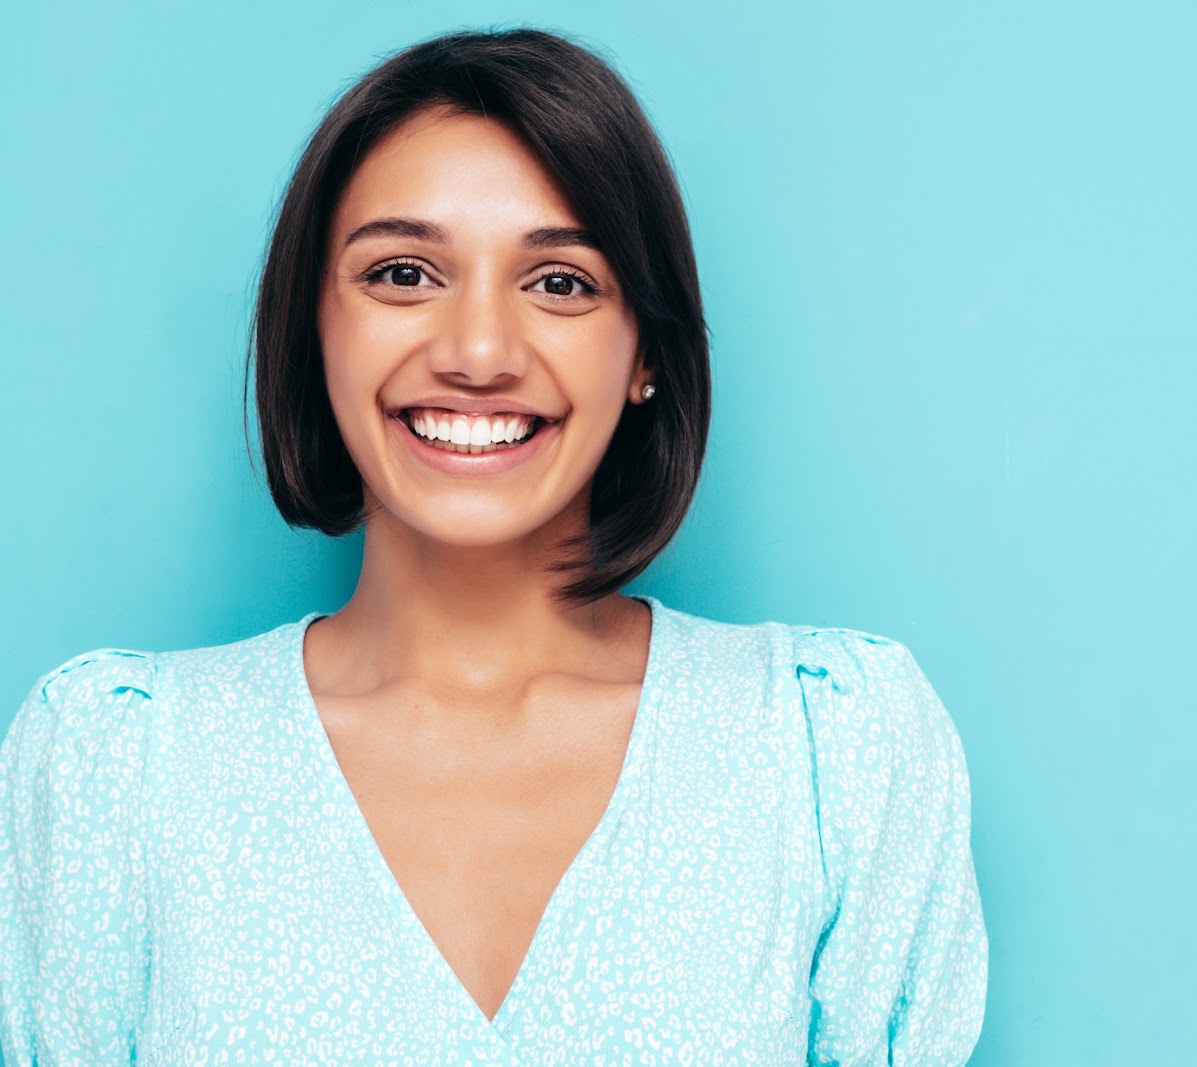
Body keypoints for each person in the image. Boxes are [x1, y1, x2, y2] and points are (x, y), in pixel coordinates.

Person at [0, 26, 987, 1064]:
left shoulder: (835, 755)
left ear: (646, 351)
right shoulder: (112, 772)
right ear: (312, 326)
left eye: (560, 282)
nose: (478, 352)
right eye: (403, 273)